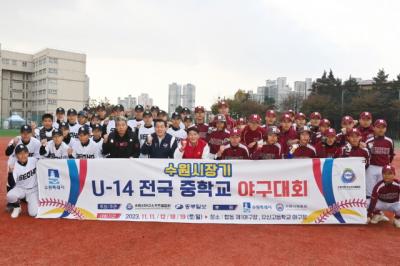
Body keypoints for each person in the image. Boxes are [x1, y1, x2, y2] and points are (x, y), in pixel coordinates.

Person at [5, 125, 40, 195]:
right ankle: (12, 199)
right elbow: (7, 153)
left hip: (28, 163)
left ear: (31, 133)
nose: (25, 135)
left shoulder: (36, 142)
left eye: (28, 133)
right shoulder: (15, 140)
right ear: (20, 133)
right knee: (12, 178)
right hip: (14, 162)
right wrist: (13, 145)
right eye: (23, 133)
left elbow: (37, 158)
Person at [7, 144, 39, 218]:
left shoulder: (34, 160)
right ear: (16, 155)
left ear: (28, 153)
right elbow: (12, 185)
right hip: (21, 189)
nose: (23, 155)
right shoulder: (14, 166)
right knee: (10, 196)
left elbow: (45, 164)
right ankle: (17, 207)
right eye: (20, 153)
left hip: (33, 190)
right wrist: (10, 173)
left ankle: (33, 201)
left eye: (25, 153)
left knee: (33, 213)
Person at [365, 119, 395, 199]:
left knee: (381, 189)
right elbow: (365, 154)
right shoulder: (369, 141)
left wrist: (387, 165)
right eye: (378, 127)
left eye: (383, 127)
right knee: (369, 190)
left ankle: (378, 208)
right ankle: (369, 209)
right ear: (374, 128)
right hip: (371, 167)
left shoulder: (389, 141)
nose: (381, 129)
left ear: (386, 129)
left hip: (384, 168)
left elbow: (391, 155)